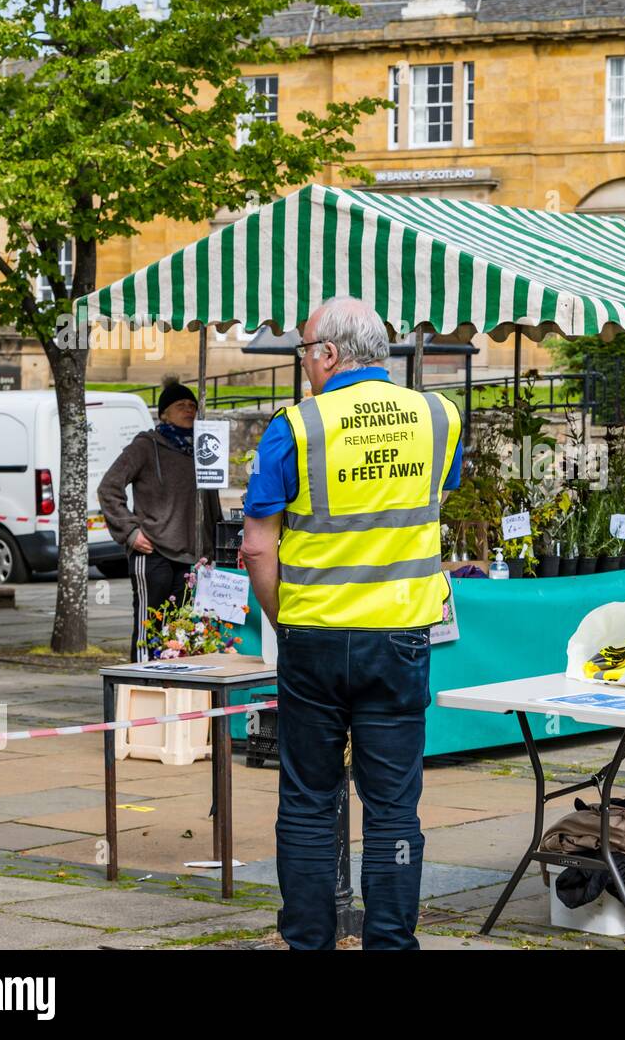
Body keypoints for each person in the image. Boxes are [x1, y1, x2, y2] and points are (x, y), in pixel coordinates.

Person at [239, 297, 463, 951]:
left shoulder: (296, 427)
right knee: (393, 808)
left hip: (312, 640)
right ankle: (391, 941)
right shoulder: (438, 417)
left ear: (329, 354)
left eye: (306, 350)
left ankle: (308, 940)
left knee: (310, 803)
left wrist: (289, 619)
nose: (304, 362)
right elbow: (425, 499)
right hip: (399, 642)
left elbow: (256, 545)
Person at [99, 379, 221, 661]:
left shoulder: (205, 450)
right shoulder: (145, 446)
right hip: (153, 553)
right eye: (181, 405)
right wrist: (130, 532)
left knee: (183, 632)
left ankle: (175, 691)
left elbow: (212, 503)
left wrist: (214, 549)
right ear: (164, 412)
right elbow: (108, 488)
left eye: (193, 405)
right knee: (148, 628)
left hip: (194, 557)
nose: (189, 410)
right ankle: (140, 688)